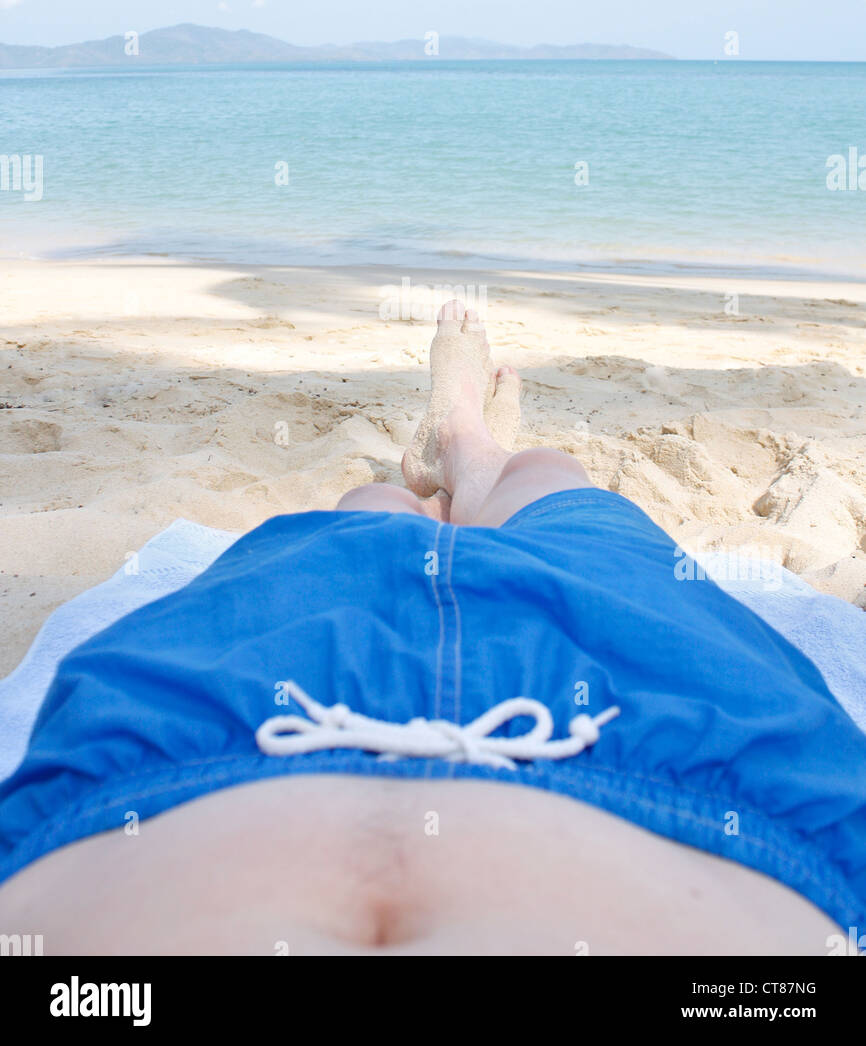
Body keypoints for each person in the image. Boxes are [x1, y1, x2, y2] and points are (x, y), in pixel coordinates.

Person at [0, 302, 864, 956]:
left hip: (174, 745)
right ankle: (474, 451)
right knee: (562, 494)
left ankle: (438, 468)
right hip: (698, 764)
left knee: (362, 521)